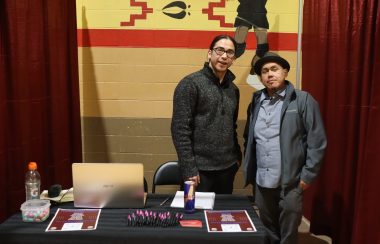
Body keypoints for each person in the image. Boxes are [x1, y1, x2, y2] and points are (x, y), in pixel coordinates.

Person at [243, 52, 327, 243]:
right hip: (262, 181)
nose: (269, 74)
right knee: (268, 229)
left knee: (288, 233)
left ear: (285, 72)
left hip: (290, 182)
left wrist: (307, 176)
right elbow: (249, 137)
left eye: (274, 69)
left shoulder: (303, 100)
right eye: (264, 71)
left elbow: (317, 141)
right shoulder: (256, 102)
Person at [171, 35, 242, 194]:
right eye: (220, 50)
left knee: (220, 218)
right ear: (210, 54)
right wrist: (189, 168)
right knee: (195, 217)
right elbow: (180, 130)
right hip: (198, 172)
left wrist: (237, 157)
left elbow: (233, 125)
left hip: (227, 169)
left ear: (233, 59)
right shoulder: (190, 84)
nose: (224, 56)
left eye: (230, 53)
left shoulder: (233, 90)